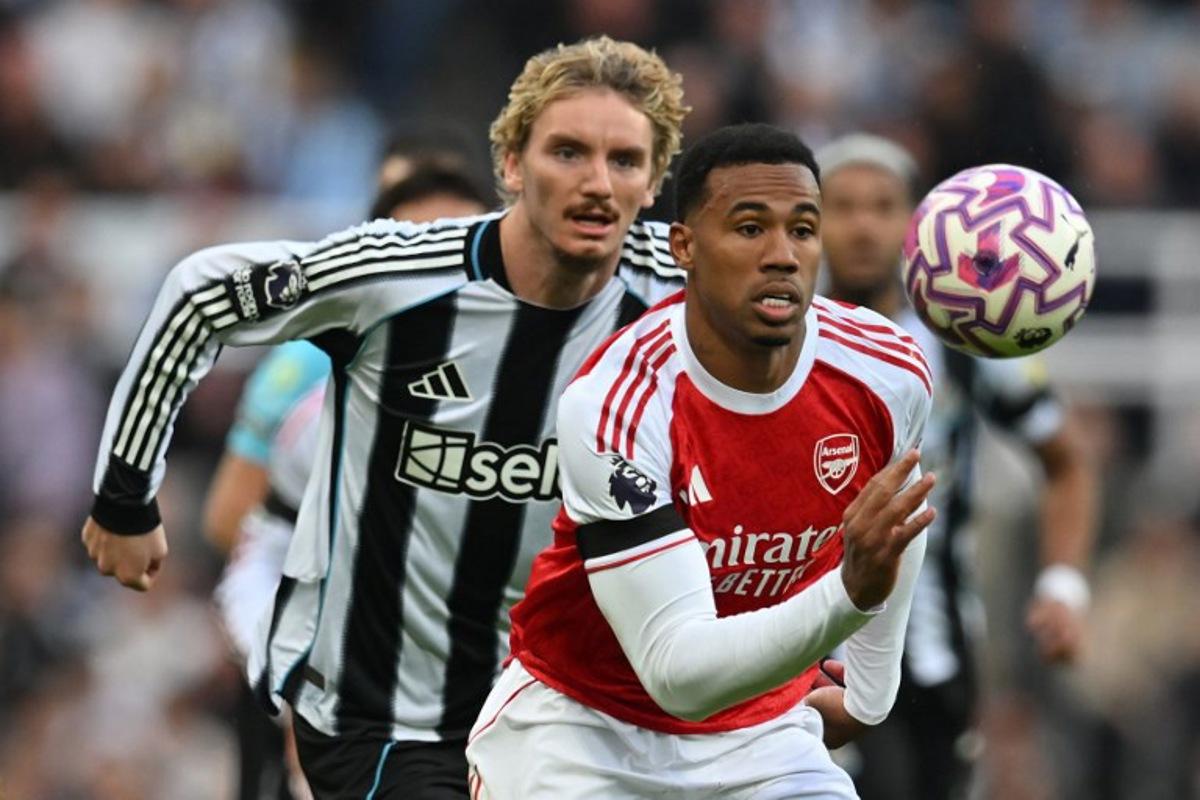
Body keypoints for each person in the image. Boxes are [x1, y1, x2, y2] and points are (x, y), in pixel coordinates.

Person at [80, 36, 688, 799]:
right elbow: (203, 293)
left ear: (655, 178)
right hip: (382, 714)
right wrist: (124, 497)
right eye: (567, 152)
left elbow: (825, 344)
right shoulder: (399, 273)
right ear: (510, 164)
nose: (597, 183)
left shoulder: (683, 291)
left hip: (567, 719)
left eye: (625, 161)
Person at [466, 123, 936, 799]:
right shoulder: (617, 402)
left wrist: (868, 697)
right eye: (749, 229)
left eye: (802, 230)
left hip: (760, 734)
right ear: (683, 246)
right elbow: (678, 676)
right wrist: (846, 596)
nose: (781, 255)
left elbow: (893, 529)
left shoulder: (888, 369)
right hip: (582, 733)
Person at [815, 133, 1097, 800]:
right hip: (811, 649)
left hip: (937, 653)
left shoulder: (967, 339)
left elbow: (1066, 460)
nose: (861, 225)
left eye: (882, 206)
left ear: (916, 224)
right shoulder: (785, 338)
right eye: (841, 206)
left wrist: (1064, 584)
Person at [208, 160, 492, 800]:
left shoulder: (574, 389)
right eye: (419, 243)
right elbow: (234, 525)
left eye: (458, 242)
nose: (437, 274)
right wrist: (298, 675)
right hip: (346, 708)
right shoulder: (310, 371)